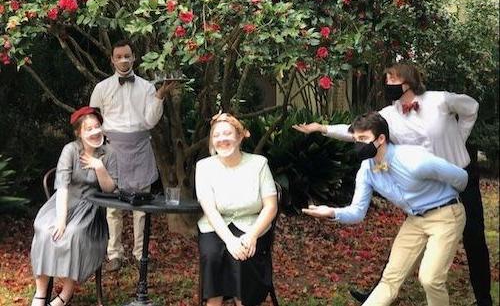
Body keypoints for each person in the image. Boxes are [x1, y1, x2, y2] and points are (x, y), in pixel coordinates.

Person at [293, 63, 492, 306]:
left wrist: (459, 139)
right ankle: (381, 290)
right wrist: (321, 128)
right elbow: (356, 132)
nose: (388, 83)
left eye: (392, 79)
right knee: (408, 238)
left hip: (459, 172)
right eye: (386, 78)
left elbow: (471, 107)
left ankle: (483, 299)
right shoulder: (388, 115)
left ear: (408, 81)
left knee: (473, 237)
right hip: (424, 184)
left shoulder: (440, 100)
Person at [303, 112, 468, 306]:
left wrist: (450, 200)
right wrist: (332, 212)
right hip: (415, 219)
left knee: (430, 278)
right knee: (390, 279)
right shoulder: (366, 170)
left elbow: (460, 177)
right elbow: (357, 212)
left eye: (363, 139)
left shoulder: (413, 160)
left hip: (445, 214)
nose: (358, 145)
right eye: (355, 140)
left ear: (381, 139)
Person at [89, 40, 178, 271]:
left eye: (127, 56)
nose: (123, 60)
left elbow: (150, 121)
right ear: (112, 59)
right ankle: (114, 254)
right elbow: (94, 121)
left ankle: (141, 254)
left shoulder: (148, 87)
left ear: (134, 57)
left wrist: (159, 96)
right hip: (113, 148)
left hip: (140, 146)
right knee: (113, 207)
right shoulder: (101, 88)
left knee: (141, 207)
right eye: (119, 56)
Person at [30, 106, 118, 306]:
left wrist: (99, 166)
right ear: (79, 132)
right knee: (45, 229)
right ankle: (41, 293)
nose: (95, 132)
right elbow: (61, 186)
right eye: (89, 129)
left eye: (97, 127)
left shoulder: (109, 152)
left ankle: (65, 294)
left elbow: (109, 190)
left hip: (91, 207)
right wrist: (61, 220)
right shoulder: (70, 150)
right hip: (64, 202)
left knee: (73, 234)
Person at [196, 112, 278, 306]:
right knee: (212, 254)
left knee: (244, 257)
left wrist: (251, 236)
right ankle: (213, 303)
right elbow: (210, 209)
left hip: (251, 225)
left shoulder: (259, 164)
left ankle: (244, 301)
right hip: (215, 226)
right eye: (216, 135)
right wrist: (230, 241)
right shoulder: (204, 167)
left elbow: (270, 206)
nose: (222, 139)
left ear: (240, 137)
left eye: (227, 134)